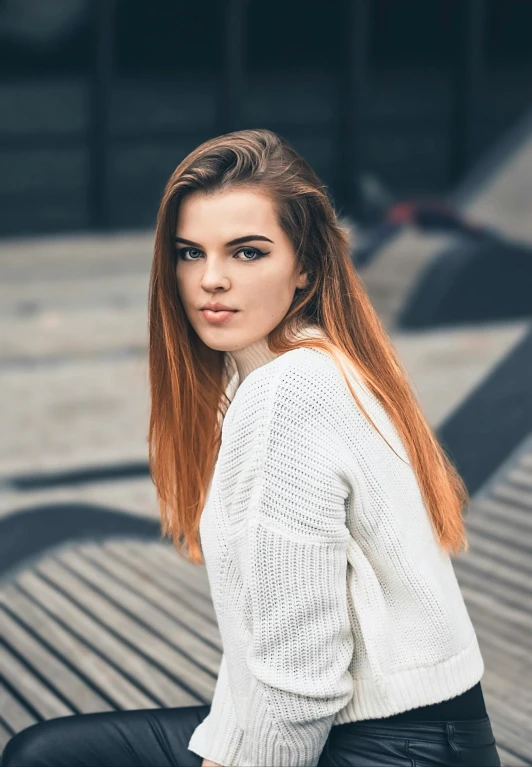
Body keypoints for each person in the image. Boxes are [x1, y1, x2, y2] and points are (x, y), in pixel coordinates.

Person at [1, 128, 501, 767]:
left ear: (305, 268)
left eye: (246, 253)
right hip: (406, 732)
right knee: (47, 753)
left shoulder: (289, 394)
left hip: (395, 746)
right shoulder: (300, 366)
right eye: (190, 252)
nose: (210, 280)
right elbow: (263, 644)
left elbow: (300, 670)